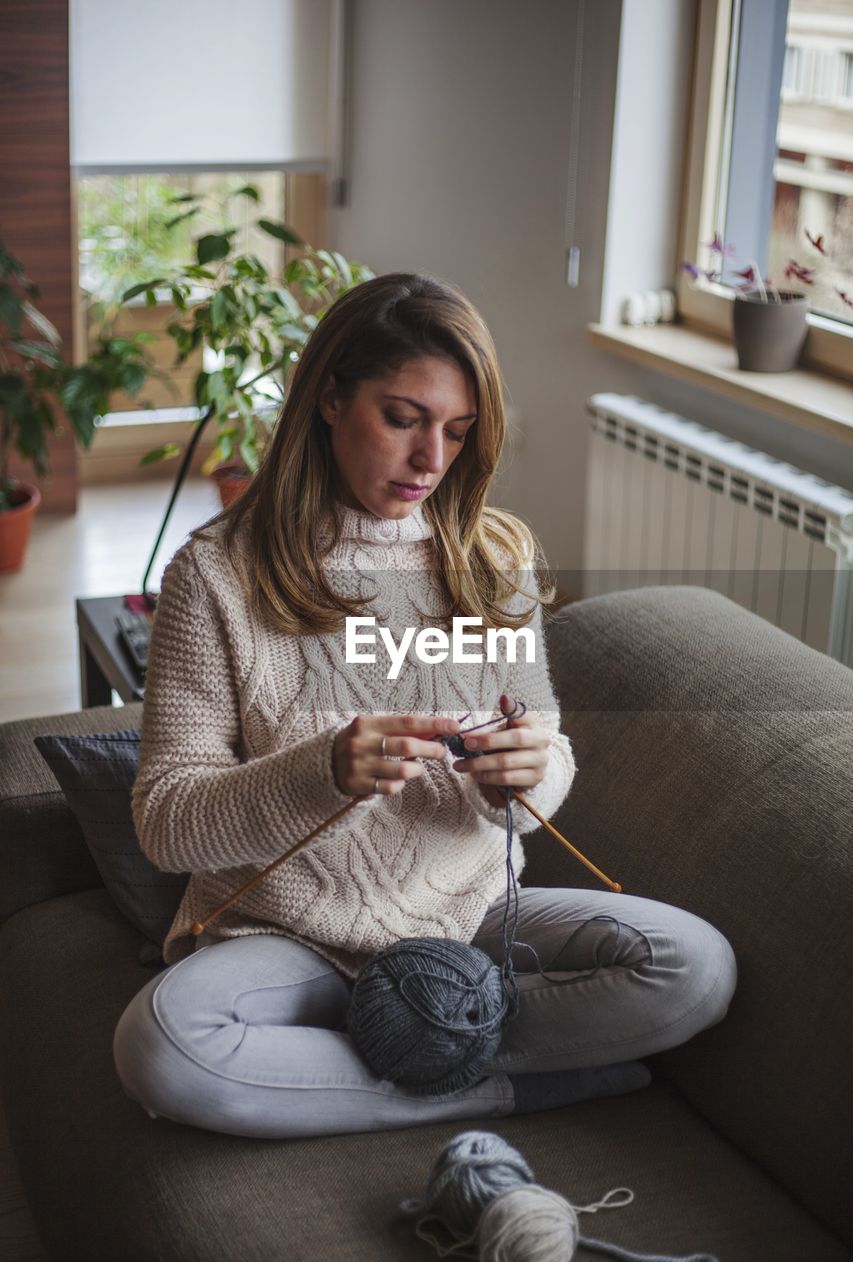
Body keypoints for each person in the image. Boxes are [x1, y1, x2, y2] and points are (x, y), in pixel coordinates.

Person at [113, 273, 736, 1140]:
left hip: (468, 923)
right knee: (163, 1048)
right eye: (402, 419)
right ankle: (488, 1085)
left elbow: (542, 757)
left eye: (457, 431)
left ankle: (361, 1062)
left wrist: (528, 772)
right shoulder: (214, 575)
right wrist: (321, 771)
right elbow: (167, 824)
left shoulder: (493, 555)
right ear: (330, 398)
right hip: (287, 938)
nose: (430, 460)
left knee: (694, 967)